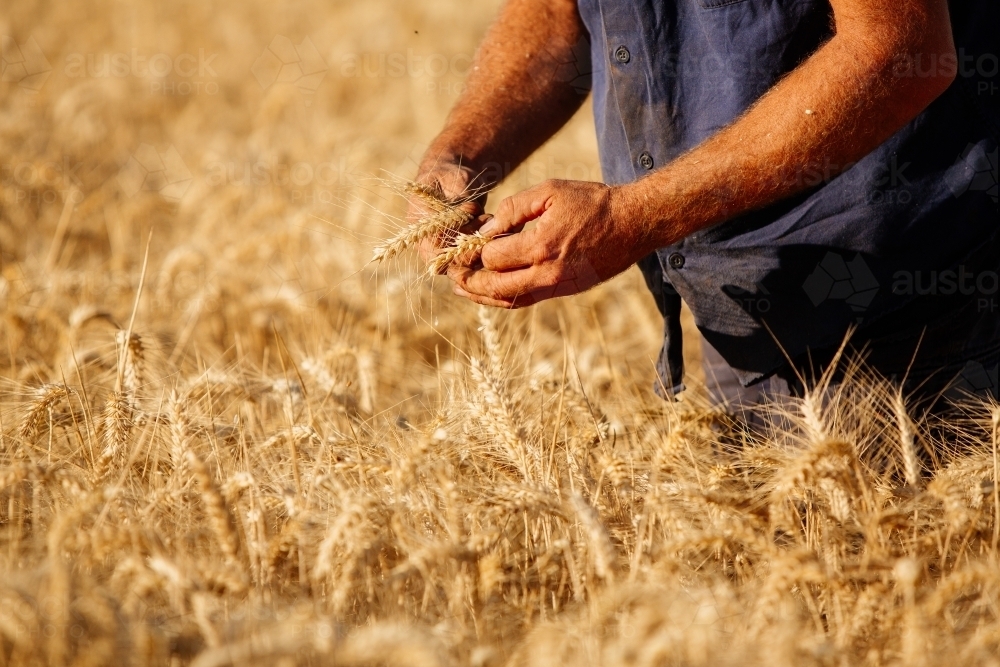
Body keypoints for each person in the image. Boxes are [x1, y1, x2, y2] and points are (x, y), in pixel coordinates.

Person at [411, 0, 999, 412]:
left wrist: (634, 217)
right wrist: (462, 151)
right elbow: (556, 11)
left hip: (910, 296)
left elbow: (898, 45)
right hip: (735, 305)